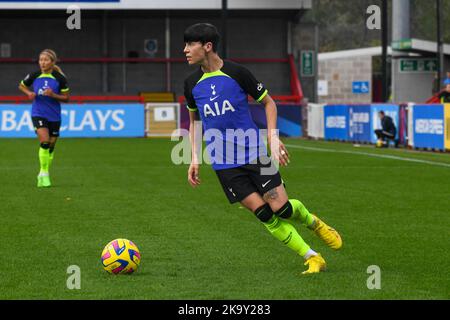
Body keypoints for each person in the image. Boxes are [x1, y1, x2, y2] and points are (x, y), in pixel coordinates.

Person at [183, 23, 342, 275]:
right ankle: (312, 257)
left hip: (254, 153)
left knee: (284, 209)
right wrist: (194, 158)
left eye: (190, 44)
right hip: (224, 164)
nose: (185, 50)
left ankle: (314, 223)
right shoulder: (191, 84)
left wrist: (273, 137)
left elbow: (268, 103)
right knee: (265, 215)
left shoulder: (237, 73)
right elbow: (194, 122)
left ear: (207, 46)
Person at [18, 49, 70, 187]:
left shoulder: (60, 78)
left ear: (52, 62)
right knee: (45, 142)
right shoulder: (34, 75)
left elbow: (66, 98)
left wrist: (53, 95)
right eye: (41, 60)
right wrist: (29, 93)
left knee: (51, 147)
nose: (42, 62)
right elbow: (21, 85)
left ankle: (43, 171)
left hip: (54, 115)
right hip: (38, 113)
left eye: (46, 60)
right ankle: (45, 174)